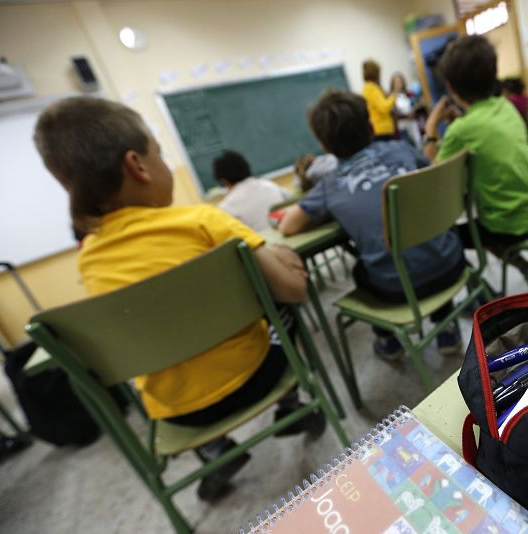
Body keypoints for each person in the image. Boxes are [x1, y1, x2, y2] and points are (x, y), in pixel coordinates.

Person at [33, 97, 323, 501]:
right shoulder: (204, 219)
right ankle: (291, 406)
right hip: (258, 376)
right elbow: (294, 289)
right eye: (160, 154)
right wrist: (282, 258)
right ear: (137, 165)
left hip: (182, 415)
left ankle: (215, 451)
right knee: (279, 306)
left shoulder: (90, 263)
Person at [279, 90, 464, 359]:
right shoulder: (401, 149)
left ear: (324, 146)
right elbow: (430, 168)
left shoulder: (330, 184)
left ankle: (388, 342)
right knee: (424, 243)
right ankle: (447, 330)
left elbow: (288, 227)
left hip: (398, 290)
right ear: (371, 126)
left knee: (361, 270)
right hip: (452, 263)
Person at [423, 35, 528, 291]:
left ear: (450, 87)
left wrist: (431, 126)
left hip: (506, 227)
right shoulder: (506, 106)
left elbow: (437, 172)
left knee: (447, 237)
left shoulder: (462, 129)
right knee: (483, 228)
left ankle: (481, 292)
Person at [213, 150, 290, 232]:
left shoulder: (225, 208)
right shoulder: (270, 185)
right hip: (287, 234)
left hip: (261, 239)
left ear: (223, 181)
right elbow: (292, 201)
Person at [361, 59, 403, 140]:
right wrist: (394, 94)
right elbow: (384, 108)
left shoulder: (369, 87)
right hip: (381, 130)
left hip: (381, 129)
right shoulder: (371, 88)